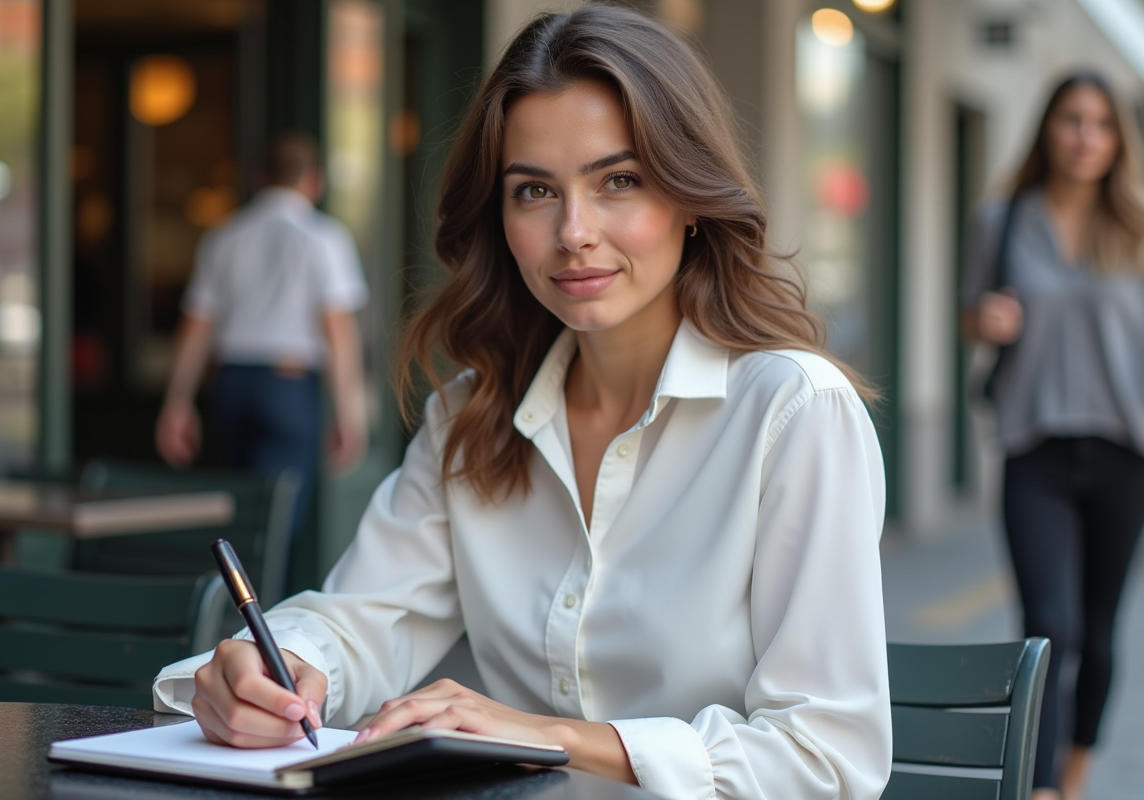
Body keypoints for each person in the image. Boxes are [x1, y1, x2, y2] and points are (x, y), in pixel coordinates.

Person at [153, 7, 892, 799]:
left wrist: (554, 739)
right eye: (535, 190)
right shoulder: (472, 416)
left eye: (619, 181)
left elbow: (826, 759)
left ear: (690, 198)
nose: (573, 232)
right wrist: (284, 666)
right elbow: (367, 615)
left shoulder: (792, 414)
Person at [961, 71, 1144, 800]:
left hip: (1130, 449)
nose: (1085, 136)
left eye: (1100, 123)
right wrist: (984, 321)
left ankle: (1077, 770)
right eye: (1071, 119)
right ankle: (1041, 787)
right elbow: (970, 312)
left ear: (1118, 138)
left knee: (1096, 629)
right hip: (1036, 446)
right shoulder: (1000, 220)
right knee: (1045, 624)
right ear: (1048, 129)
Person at [155, 133, 369, 530]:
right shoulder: (324, 238)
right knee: (277, 524)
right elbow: (339, 332)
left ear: (257, 179)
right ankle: (266, 594)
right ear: (313, 182)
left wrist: (178, 402)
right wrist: (349, 414)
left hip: (231, 383)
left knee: (238, 516)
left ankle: (237, 592)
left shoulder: (223, 237)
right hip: (288, 385)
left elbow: (196, 327)